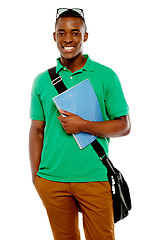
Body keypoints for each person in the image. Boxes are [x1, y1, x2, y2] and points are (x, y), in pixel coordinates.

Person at [29, 8, 131, 240]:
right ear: (54, 36)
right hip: (52, 180)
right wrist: (37, 177)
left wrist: (83, 124)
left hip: (94, 177)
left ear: (85, 36)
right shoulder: (42, 81)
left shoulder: (105, 76)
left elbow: (124, 126)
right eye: (61, 33)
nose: (68, 39)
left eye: (75, 33)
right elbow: (37, 131)